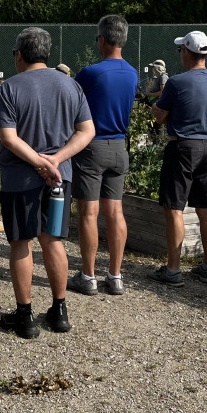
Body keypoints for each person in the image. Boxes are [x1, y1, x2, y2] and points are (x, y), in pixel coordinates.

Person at [0, 27, 94, 339]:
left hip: (20, 178)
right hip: (60, 177)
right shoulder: (70, 86)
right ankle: (59, 310)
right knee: (53, 241)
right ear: (47, 54)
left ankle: (25, 317)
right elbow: (86, 131)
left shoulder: (10, 88)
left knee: (21, 243)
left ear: (20, 55)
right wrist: (55, 160)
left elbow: (8, 138)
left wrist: (39, 162)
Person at [68, 15, 138, 296]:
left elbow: (71, 104)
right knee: (116, 213)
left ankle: (88, 276)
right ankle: (116, 275)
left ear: (103, 39)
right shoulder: (133, 73)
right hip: (120, 147)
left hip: (92, 146)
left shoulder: (90, 73)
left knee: (89, 213)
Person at [147, 31, 207, 286]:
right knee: (205, 208)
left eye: (181, 50)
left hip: (182, 148)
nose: (180, 53)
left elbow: (160, 116)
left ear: (188, 53)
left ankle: (173, 270)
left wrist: (156, 109)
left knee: (174, 208)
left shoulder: (177, 83)